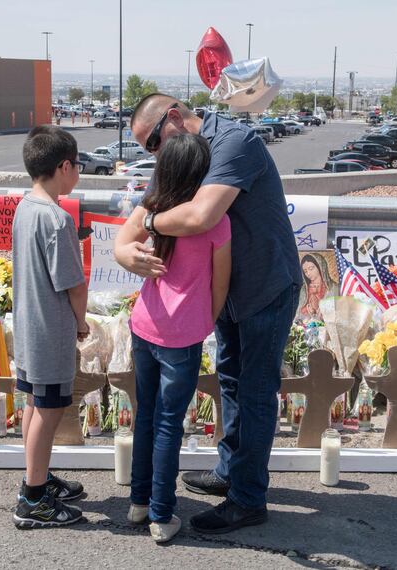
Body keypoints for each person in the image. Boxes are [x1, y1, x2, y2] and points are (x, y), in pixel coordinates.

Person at [115, 94, 301, 534]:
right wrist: (125, 251)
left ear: (174, 117)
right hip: (224, 293)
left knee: (254, 392)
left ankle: (248, 499)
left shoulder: (235, 143)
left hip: (264, 287)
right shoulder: (179, 154)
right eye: (148, 151)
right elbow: (139, 216)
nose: (154, 157)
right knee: (231, 381)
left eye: (153, 143)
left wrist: (151, 226)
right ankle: (229, 472)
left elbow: (199, 216)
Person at [115, 134, 231, 543]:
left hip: (144, 324)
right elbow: (221, 283)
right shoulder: (213, 220)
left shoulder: (152, 207)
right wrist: (206, 320)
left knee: (145, 415)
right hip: (181, 336)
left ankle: (139, 503)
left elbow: (124, 244)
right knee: (168, 424)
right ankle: (163, 516)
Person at [11, 125, 90, 528]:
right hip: (50, 330)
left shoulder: (25, 207)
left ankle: (35, 478)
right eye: (77, 165)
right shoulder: (57, 219)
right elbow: (74, 284)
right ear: (63, 166)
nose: (78, 172)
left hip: (27, 327)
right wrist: (81, 323)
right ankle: (34, 499)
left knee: (32, 403)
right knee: (50, 409)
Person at [298, 254, 338, 320]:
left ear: (320, 267)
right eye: (305, 271)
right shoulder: (303, 290)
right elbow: (297, 314)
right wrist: (309, 310)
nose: (308, 273)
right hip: (306, 327)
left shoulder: (334, 288)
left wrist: (318, 309)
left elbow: (338, 311)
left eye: (311, 269)